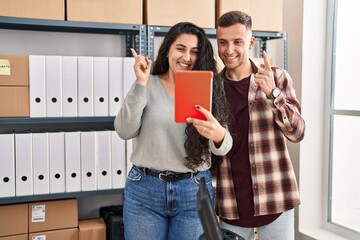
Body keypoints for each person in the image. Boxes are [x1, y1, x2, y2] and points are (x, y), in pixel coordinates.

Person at [114, 22, 233, 240]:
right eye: (181, 48)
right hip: (144, 190)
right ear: (168, 49)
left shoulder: (208, 88)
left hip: (193, 190)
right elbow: (124, 130)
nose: (187, 57)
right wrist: (140, 84)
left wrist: (218, 135)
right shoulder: (147, 84)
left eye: (194, 52)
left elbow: (223, 147)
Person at [214, 10, 306, 240]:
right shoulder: (213, 87)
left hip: (275, 196)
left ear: (251, 42)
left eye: (238, 42)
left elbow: (298, 133)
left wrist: (273, 94)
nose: (229, 50)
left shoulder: (277, 77)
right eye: (223, 42)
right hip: (231, 201)